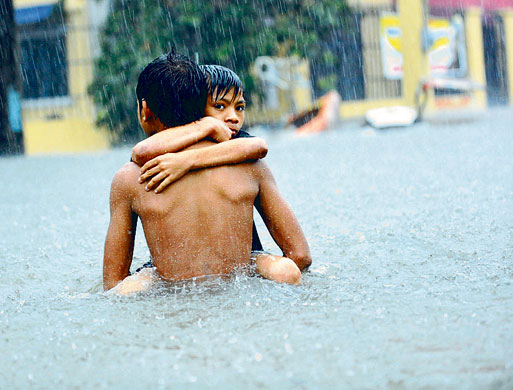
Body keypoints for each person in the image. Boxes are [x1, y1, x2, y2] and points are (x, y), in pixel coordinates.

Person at [103, 51, 311, 293]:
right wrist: (253, 264)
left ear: (144, 109)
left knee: (125, 290)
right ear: (200, 106)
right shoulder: (249, 165)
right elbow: (301, 256)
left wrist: (152, 274)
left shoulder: (130, 178)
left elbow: (112, 283)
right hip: (243, 298)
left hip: (171, 306)